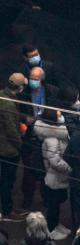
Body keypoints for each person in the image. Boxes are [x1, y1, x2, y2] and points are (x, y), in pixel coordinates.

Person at [18, 67, 59, 209]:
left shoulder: (52, 91)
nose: (33, 81)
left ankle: (46, 199)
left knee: (47, 169)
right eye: (31, 77)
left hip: (47, 135)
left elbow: (57, 110)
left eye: (36, 78)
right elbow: (17, 111)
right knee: (28, 171)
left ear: (42, 79)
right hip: (30, 136)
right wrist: (25, 118)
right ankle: (27, 201)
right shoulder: (24, 93)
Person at [33, 109, 72, 240]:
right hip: (55, 176)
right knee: (53, 206)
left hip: (58, 176)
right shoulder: (52, 139)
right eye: (59, 115)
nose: (61, 116)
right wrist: (69, 168)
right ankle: (51, 229)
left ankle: (55, 225)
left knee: (56, 203)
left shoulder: (56, 135)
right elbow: (55, 161)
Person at [0, 73, 28, 220]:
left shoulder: (3, 95)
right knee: (7, 181)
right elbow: (11, 130)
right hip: (8, 149)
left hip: (5, 145)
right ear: (19, 87)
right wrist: (21, 145)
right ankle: (7, 210)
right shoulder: (8, 104)